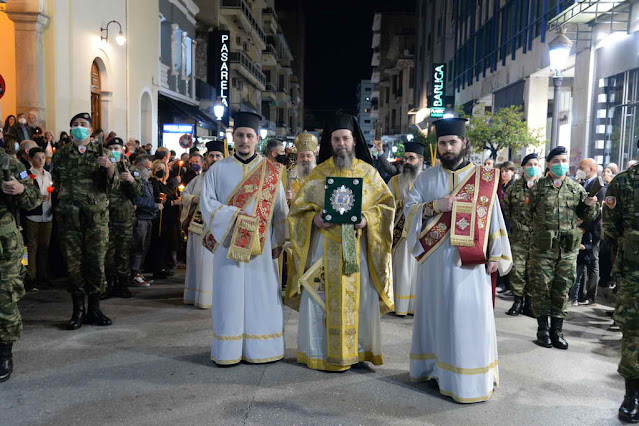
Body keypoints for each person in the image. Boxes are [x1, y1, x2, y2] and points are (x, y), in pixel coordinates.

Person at [403, 118, 512, 403]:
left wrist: (496, 254)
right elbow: (407, 211)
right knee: (437, 317)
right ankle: (434, 370)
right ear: (437, 146)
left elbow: (494, 218)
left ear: (464, 143)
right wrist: (432, 206)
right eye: (442, 143)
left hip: (470, 266)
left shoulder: (484, 178)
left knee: (468, 320)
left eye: (453, 142)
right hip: (435, 263)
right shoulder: (426, 178)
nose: (448, 148)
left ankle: (469, 378)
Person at [287, 113, 394, 372]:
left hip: (357, 252)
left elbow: (386, 207)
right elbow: (298, 211)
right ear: (330, 142)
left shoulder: (368, 173)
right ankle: (319, 352)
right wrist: (314, 219)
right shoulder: (318, 174)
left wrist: (367, 219)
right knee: (319, 301)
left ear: (354, 140)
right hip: (322, 252)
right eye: (336, 139)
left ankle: (358, 351)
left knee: (360, 300)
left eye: (345, 138)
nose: (341, 144)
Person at [200, 111, 288, 366]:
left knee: (262, 297)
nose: (244, 140)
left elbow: (280, 209)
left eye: (249, 135)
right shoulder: (218, 169)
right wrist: (233, 217)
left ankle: (261, 349)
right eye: (240, 135)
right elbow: (207, 204)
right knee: (229, 296)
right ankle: (228, 351)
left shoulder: (272, 171)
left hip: (261, 247)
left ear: (257, 138)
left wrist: (278, 241)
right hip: (229, 245)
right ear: (233, 137)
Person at [526, 146, 598, 350]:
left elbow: (589, 216)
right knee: (541, 287)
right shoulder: (538, 188)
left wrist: (591, 205)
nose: (560, 164)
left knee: (562, 288)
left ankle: (557, 330)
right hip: (543, 249)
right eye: (556, 161)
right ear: (548, 164)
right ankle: (542, 329)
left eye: (564, 161)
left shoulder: (576, 188)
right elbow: (527, 213)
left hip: (567, 249)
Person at [52, 112, 118, 330]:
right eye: (75, 124)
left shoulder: (104, 153)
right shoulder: (61, 154)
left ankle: (94, 309)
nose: (79, 127)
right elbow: (57, 182)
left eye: (83, 124)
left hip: (96, 219)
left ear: (90, 130)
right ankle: (77, 310)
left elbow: (115, 185)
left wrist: (109, 166)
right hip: (69, 219)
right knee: (73, 266)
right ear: (71, 130)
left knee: (96, 264)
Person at [602, 156, 639, 423]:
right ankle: (631, 396)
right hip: (633, 272)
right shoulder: (624, 182)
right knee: (634, 332)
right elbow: (610, 226)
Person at [0, 146, 41, 382]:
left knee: (5, 297)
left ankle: (4, 352)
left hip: (4, 245)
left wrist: (21, 188)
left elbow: (34, 198)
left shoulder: (12, 164)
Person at [182, 141, 225, 308]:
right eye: (211, 156)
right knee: (198, 261)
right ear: (206, 158)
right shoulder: (199, 179)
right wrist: (195, 199)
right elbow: (185, 195)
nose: (214, 159)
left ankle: (216, 297)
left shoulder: (229, 179)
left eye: (218, 156)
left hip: (218, 227)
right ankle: (198, 296)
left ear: (223, 158)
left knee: (214, 262)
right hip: (199, 226)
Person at [388, 142, 424, 316]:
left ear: (420, 160)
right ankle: (400, 306)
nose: (407, 162)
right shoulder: (395, 181)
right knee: (401, 269)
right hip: (400, 235)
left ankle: (416, 307)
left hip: (421, 233)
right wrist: (398, 203)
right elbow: (385, 205)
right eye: (406, 158)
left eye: (412, 158)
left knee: (418, 271)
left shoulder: (427, 179)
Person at [503, 153, 541, 316]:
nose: (532, 167)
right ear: (523, 168)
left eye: (535, 164)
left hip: (538, 238)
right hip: (518, 236)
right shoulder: (514, 188)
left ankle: (529, 304)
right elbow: (506, 209)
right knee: (517, 270)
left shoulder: (544, 187)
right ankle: (518, 301)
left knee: (534, 271)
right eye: (529, 164)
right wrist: (515, 225)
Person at [104, 138, 142, 298]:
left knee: (123, 252)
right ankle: (109, 284)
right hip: (106, 216)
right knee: (108, 254)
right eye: (111, 148)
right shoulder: (102, 168)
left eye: (116, 148)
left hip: (124, 217)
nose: (114, 151)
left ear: (122, 150)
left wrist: (131, 180)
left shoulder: (130, 168)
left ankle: (123, 285)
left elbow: (138, 192)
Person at [573, 158, 605, 306]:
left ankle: (591, 296)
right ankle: (582, 294)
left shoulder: (600, 187)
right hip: (583, 229)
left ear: (591, 169)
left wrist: (584, 227)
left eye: (582, 167)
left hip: (593, 230)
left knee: (593, 262)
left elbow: (597, 213)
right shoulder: (584, 183)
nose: (579, 169)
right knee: (583, 261)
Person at [23, 147, 53, 289]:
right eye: (37, 158)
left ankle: (43, 275)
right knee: (31, 247)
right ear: (31, 159)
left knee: (44, 247)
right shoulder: (27, 174)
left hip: (47, 214)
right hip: (32, 214)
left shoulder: (48, 174)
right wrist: (36, 197)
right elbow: (24, 192)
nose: (41, 160)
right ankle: (31, 277)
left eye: (43, 157)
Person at [130, 154, 160, 287]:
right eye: (148, 168)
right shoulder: (135, 181)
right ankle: (134, 273)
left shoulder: (146, 181)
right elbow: (137, 200)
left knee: (144, 247)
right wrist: (155, 206)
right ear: (139, 166)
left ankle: (138, 271)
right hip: (140, 217)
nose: (150, 171)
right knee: (138, 247)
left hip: (148, 217)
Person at [286, 132, 318, 202]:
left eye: (308, 156)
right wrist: (287, 199)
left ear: (314, 156)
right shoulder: (289, 175)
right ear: (297, 156)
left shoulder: (321, 174)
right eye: (302, 156)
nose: (305, 159)